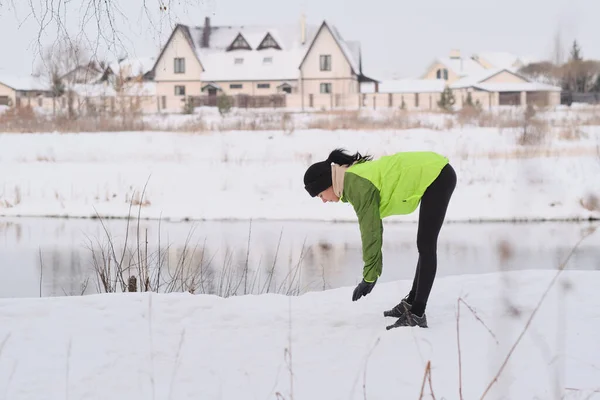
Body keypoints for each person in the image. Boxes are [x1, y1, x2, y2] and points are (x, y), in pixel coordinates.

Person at [303, 148, 456, 329]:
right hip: (434, 171)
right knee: (424, 244)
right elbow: (373, 227)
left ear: (327, 184)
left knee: (426, 244)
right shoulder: (350, 178)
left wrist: (369, 277)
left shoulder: (355, 185)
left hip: (437, 174)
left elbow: (371, 231)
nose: (324, 201)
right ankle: (412, 303)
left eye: (321, 195)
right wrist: (372, 273)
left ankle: (417, 314)